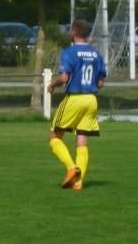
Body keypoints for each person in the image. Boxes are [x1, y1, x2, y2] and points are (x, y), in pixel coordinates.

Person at [46, 19, 106, 191]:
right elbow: (100, 83)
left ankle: (72, 169)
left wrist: (52, 85)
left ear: (73, 32)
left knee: (54, 137)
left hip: (75, 98)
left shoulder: (69, 52)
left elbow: (64, 78)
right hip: (91, 100)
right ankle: (79, 183)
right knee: (82, 140)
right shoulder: (96, 54)